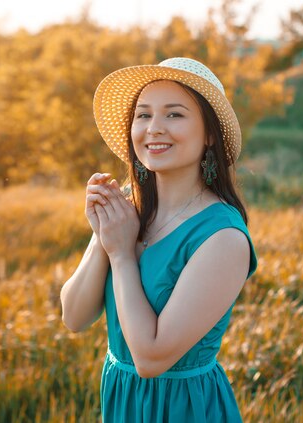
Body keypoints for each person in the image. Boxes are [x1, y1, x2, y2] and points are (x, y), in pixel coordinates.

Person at [60, 57, 258, 422]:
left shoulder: (223, 237)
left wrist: (121, 255)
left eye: (174, 115)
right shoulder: (130, 208)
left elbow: (150, 358)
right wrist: (101, 233)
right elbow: (74, 316)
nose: (154, 128)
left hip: (184, 408)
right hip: (123, 401)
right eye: (143, 114)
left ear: (209, 133)